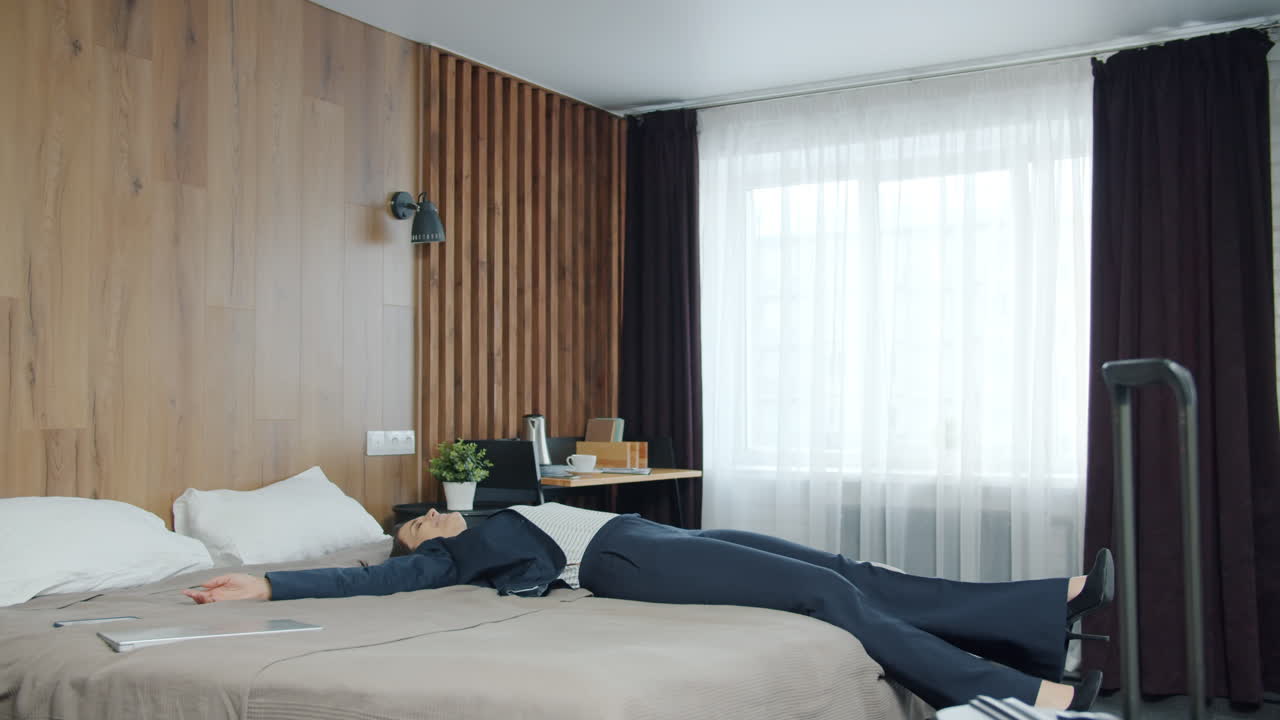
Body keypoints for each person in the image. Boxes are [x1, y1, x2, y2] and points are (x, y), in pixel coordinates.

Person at [184, 503, 1113, 712]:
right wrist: (269, 583)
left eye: (422, 514)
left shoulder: (492, 503)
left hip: (642, 529)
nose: (421, 519)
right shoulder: (464, 547)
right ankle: (1014, 693)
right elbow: (372, 579)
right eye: (412, 529)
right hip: (625, 559)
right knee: (822, 595)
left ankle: (1043, 607)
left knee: (840, 565)